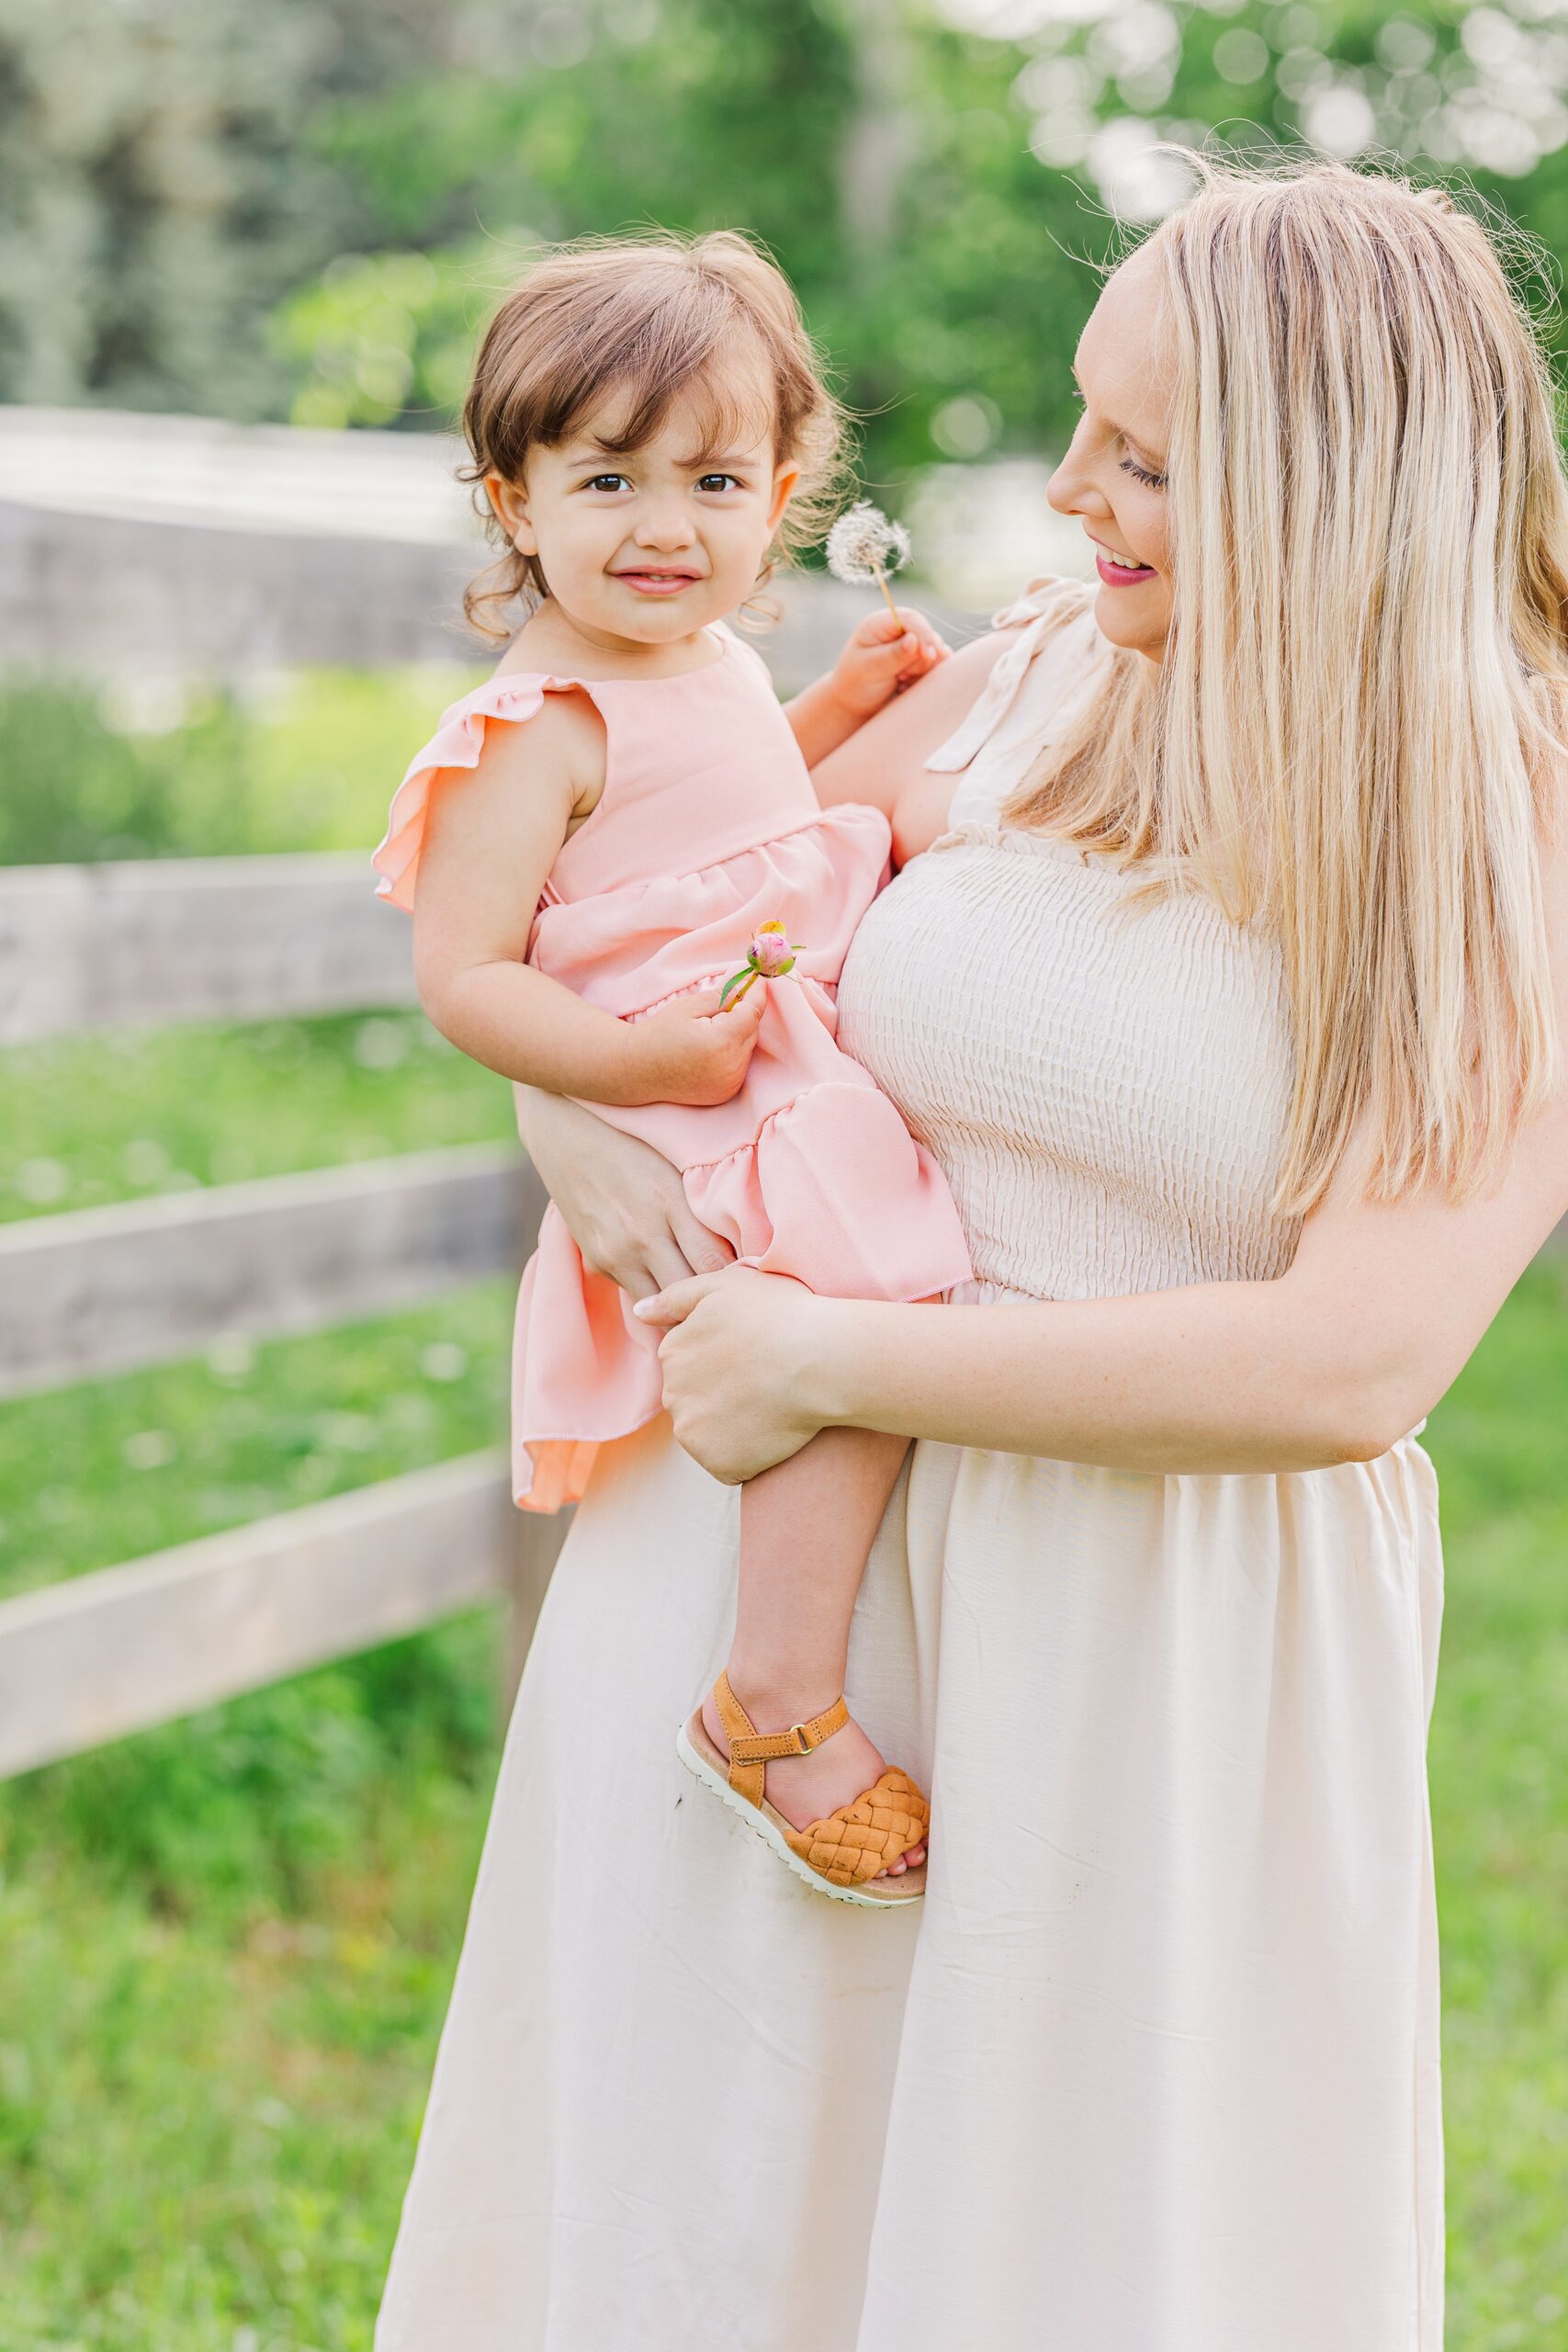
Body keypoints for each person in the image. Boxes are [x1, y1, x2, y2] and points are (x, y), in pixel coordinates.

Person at [374, 156, 1568, 2352]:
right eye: (1080, 421)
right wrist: (564, 1095)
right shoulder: (1034, 678)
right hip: (758, 1565)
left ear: (1322, 484)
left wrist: (829, 1358)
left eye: (1140, 455)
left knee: (1072, 2253)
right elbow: (638, 900)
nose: (1065, 487)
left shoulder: (1500, 811)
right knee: (707, 2225)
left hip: (1150, 1642)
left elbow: (1353, 1357)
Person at [373, 230, 971, 1900]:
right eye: (608, 480)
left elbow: (727, 817)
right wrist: (632, 1069)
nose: (662, 529)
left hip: (756, 1048)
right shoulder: (532, 724)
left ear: (779, 495)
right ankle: (776, 1694)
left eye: (713, 480)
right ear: (514, 500)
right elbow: (466, 976)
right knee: (860, 1318)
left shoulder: (703, 661)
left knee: (886, 1311)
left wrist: (835, 713)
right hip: (692, 1090)